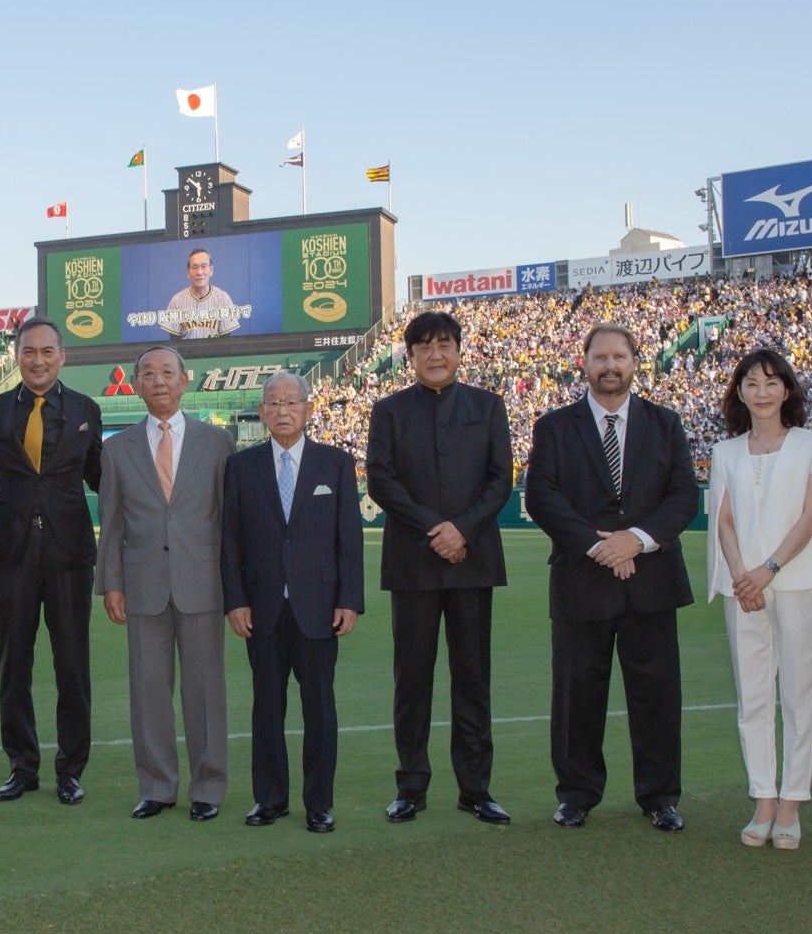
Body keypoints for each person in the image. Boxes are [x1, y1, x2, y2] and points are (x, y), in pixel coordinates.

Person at [523, 323, 699, 832]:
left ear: (634, 362)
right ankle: (576, 793)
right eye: (600, 356)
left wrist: (635, 540)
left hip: (652, 581)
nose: (609, 365)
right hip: (583, 581)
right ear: (585, 363)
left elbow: (683, 496)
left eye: (619, 356)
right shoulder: (554, 426)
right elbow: (543, 497)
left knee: (657, 697)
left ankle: (660, 796)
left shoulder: (665, 423)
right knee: (577, 697)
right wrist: (601, 546)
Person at [364, 310, 514, 825]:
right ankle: (411, 785)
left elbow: (500, 481)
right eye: (424, 346)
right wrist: (436, 529)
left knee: (473, 679)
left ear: (458, 351)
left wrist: (462, 530)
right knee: (413, 679)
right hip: (414, 563)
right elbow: (382, 482)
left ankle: (476, 788)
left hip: (472, 562)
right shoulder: (388, 411)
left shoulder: (488, 406)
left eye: (444, 344)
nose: (435, 354)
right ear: (409, 356)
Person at [703, 349, 812, 851]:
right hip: (741, 587)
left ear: (786, 390)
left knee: (798, 692)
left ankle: (792, 799)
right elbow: (722, 520)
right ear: (739, 393)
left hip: (797, 579)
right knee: (753, 695)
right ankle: (763, 796)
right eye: (751, 383)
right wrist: (744, 576)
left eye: (770, 382)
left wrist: (768, 569)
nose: (761, 392)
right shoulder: (725, 453)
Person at [0, 316, 103, 805]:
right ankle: (22, 767)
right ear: (16, 356)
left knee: (72, 665)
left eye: (48, 351)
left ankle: (71, 770)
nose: (38, 360)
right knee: (13, 665)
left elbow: (102, 477)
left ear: (62, 357)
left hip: (70, 556)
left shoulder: (86, 409)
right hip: (10, 555)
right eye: (29, 352)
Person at [220, 371, 363, 833]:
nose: (282, 410)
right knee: (266, 707)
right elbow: (231, 542)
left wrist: (350, 599)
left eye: (291, 402)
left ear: (307, 408)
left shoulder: (335, 464)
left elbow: (349, 540)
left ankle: (319, 803)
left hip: (319, 608)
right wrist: (235, 602)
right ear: (261, 413)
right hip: (261, 609)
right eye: (273, 403)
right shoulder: (241, 467)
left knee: (320, 707)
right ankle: (271, 799)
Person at [96, 345, 234, 822]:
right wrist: (111, 583)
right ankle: (156, 787)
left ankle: (208, 788)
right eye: (148, 374)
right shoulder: (116, 449)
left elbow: (228, 520)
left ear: (185, 380)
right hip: (142, 587)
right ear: (135, 384)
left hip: (204, 584)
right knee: (148, 690)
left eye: (167, 373)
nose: (158, 381)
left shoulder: (217, 443)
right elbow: (111, 523)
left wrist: (236, 587)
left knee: (205, 690)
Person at [164, 248, 241, 339]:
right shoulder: (177, 301)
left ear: (211, 270)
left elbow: (225, 341)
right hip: (185, 353)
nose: (199, 272)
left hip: (216, 352)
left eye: (204, 266)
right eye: (194, 267)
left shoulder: (223, 299)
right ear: (188, 272)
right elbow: (174, 342)